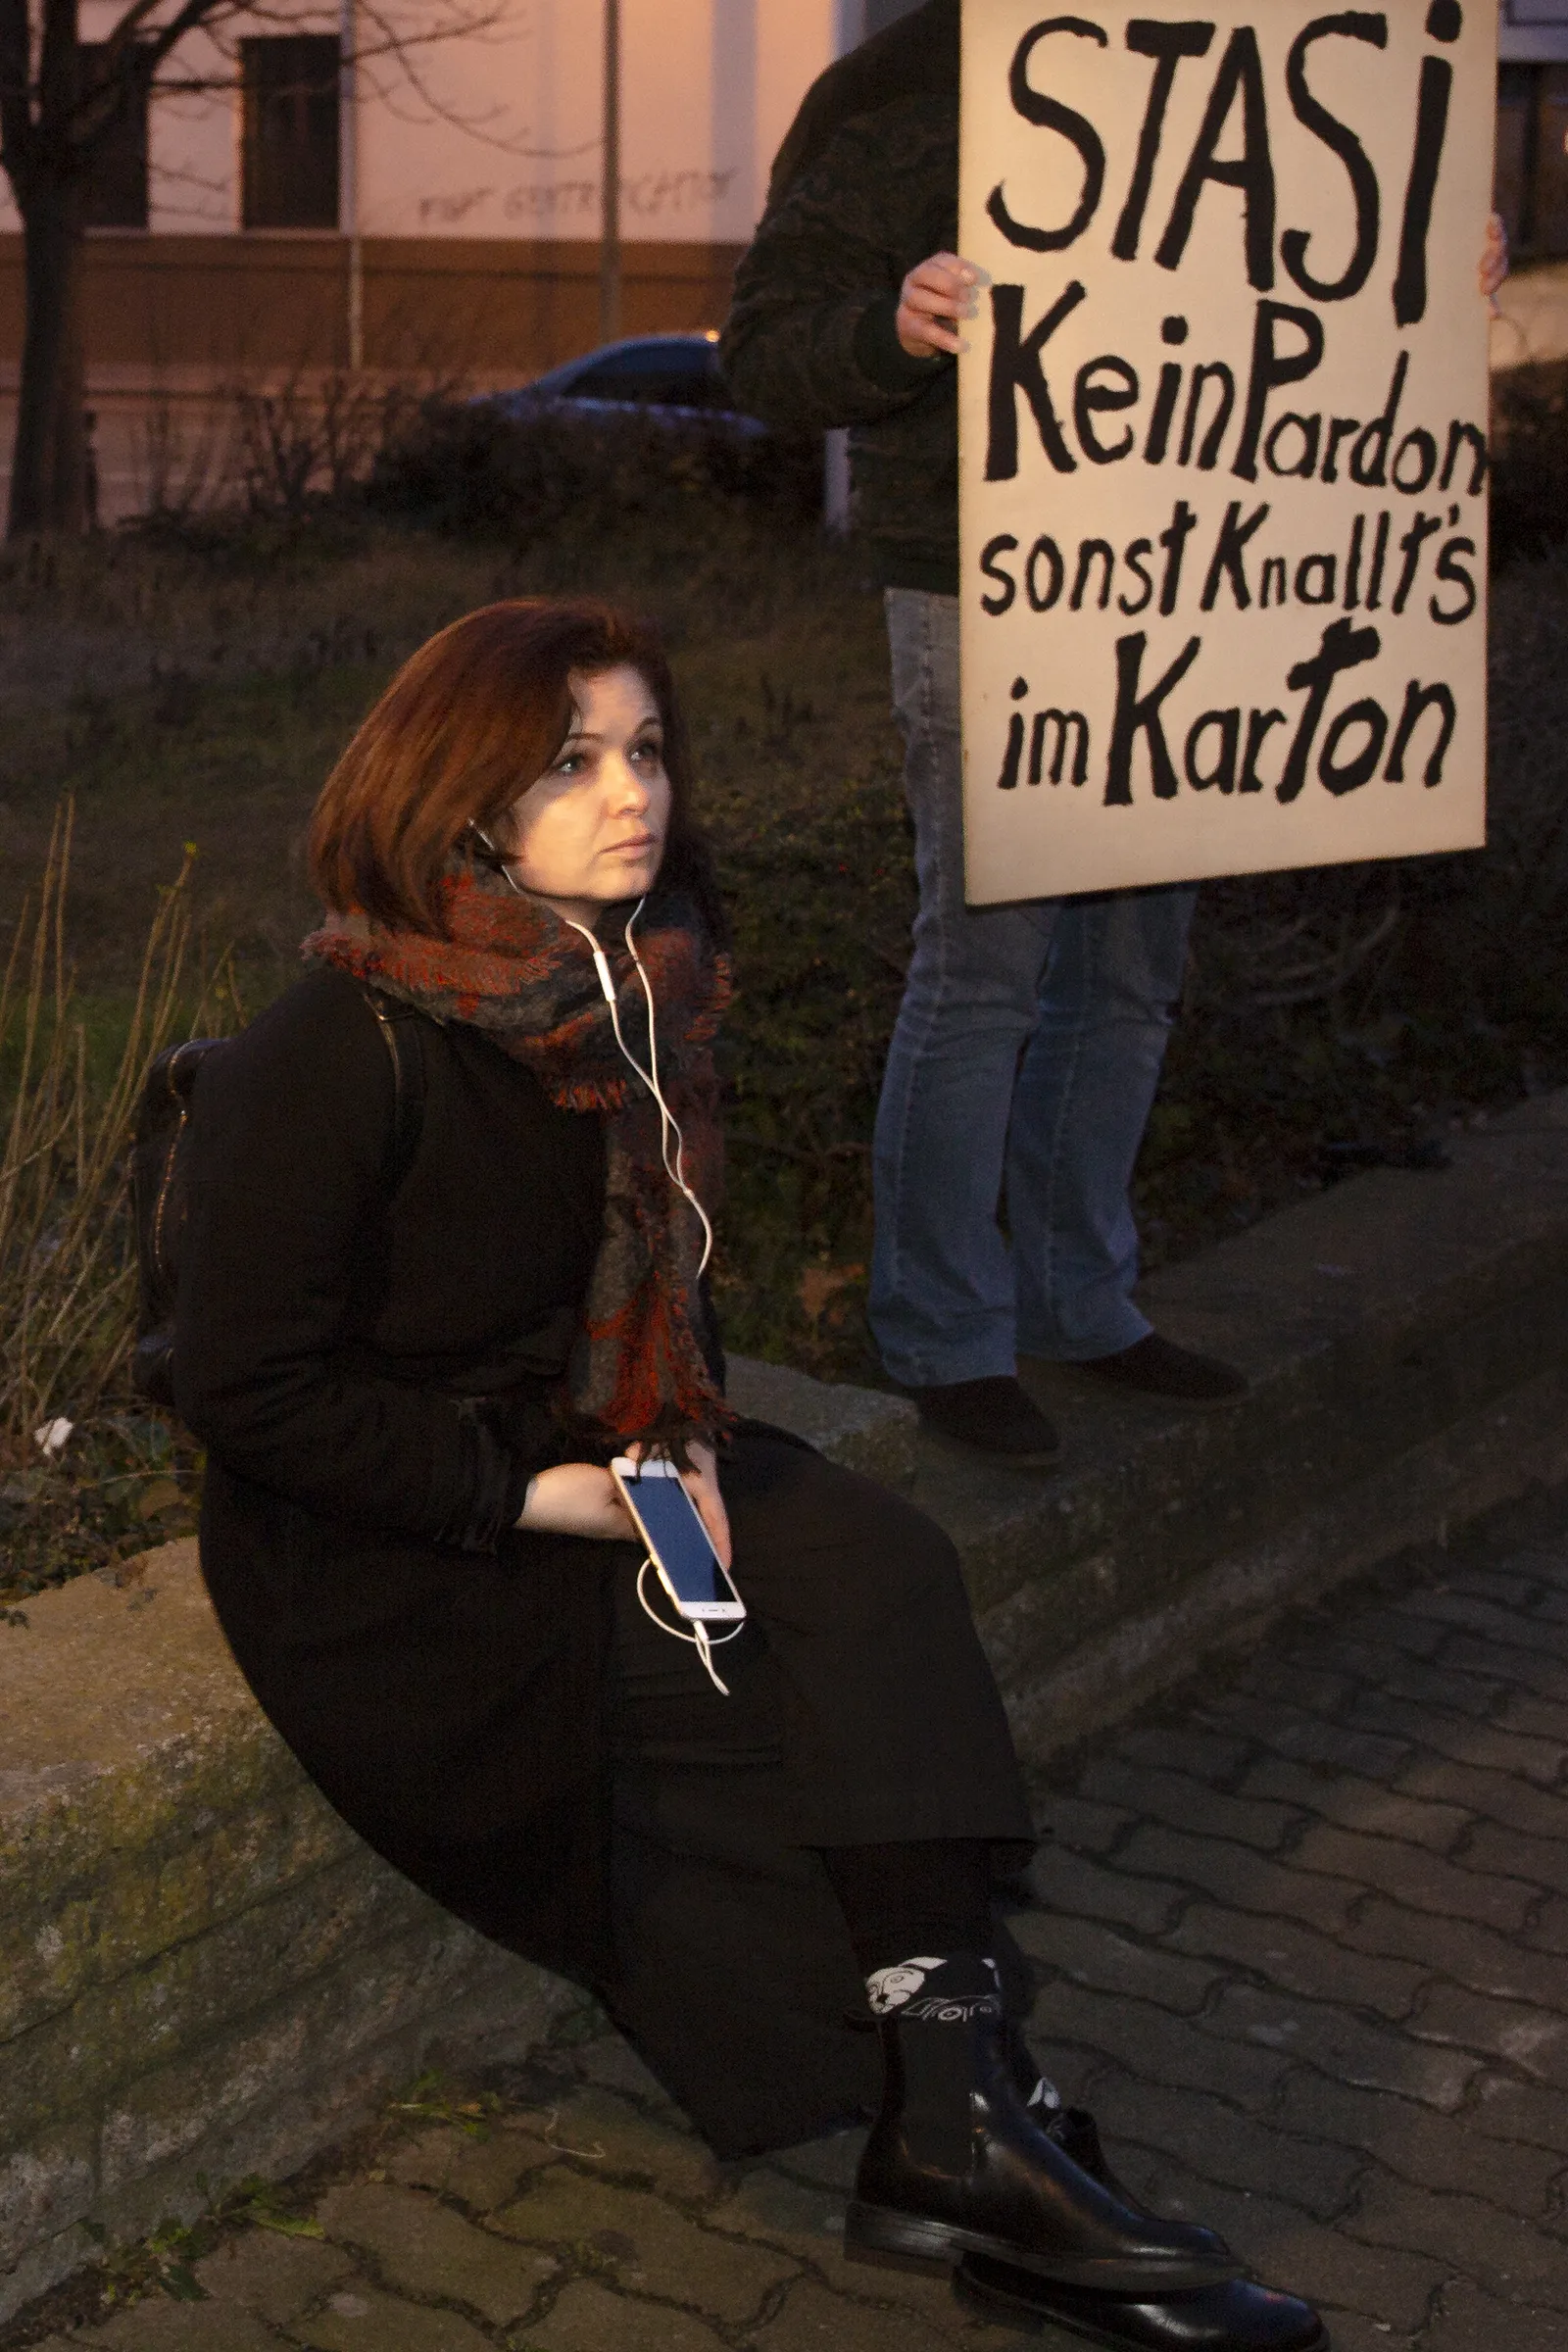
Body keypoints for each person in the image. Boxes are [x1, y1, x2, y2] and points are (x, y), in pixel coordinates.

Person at [172, 598, 1321, 2342]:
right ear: (460, 799)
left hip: (598, 1442)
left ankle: (952, 2113)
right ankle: (968, 2119)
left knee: (879, 1561)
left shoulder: (637, 996)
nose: (630, 791)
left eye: (646, 749)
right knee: (733, 1709)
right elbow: (243, 1392)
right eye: (571, 761)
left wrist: (660, 1446)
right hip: (392, 1541)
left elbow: (640, 1303)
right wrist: (540, 1493)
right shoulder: (341, 1046)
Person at [720, 0, 1509, 1471]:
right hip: (986, 585)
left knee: (1136, 969)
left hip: (1192, 571)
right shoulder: (898, 86)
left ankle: (1081, 1301)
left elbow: (1328, 307)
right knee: (988, 966)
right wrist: (892, 326)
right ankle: (945, 1334)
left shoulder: (1258, 77)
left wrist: (1435, 268)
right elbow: (764, 352)